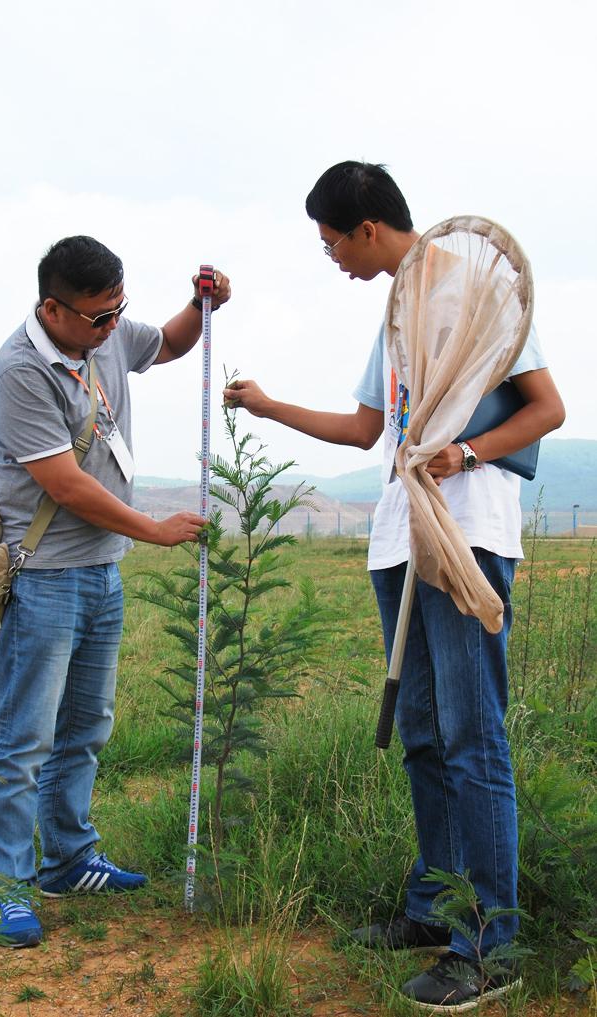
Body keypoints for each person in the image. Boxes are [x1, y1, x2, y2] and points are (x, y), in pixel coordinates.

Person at [224, 162, 565, 1010]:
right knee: (421, 731)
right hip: (398, 535)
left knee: (471, 735)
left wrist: (468, 453)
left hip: (464, 534)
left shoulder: (481, 290)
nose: (333, 258)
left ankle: (490, 943)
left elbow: (546, 408)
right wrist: (268, 406)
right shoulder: (396, 308)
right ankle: (434, 905)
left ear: (367, 228)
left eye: (332, 242)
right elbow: (369, 428)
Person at [0, 235, 230, 947]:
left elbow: (170, 344)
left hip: (100, 572)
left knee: (85, 727)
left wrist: (201, 306)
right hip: (45, 578)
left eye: (119, 309)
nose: (113, 326)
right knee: (22, 738)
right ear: (52, 308)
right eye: (98, 316)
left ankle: (68, 859)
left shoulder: (105, 334)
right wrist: (154, 530)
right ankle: (1, 886)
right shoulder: (20, 370)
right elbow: (65, 484)